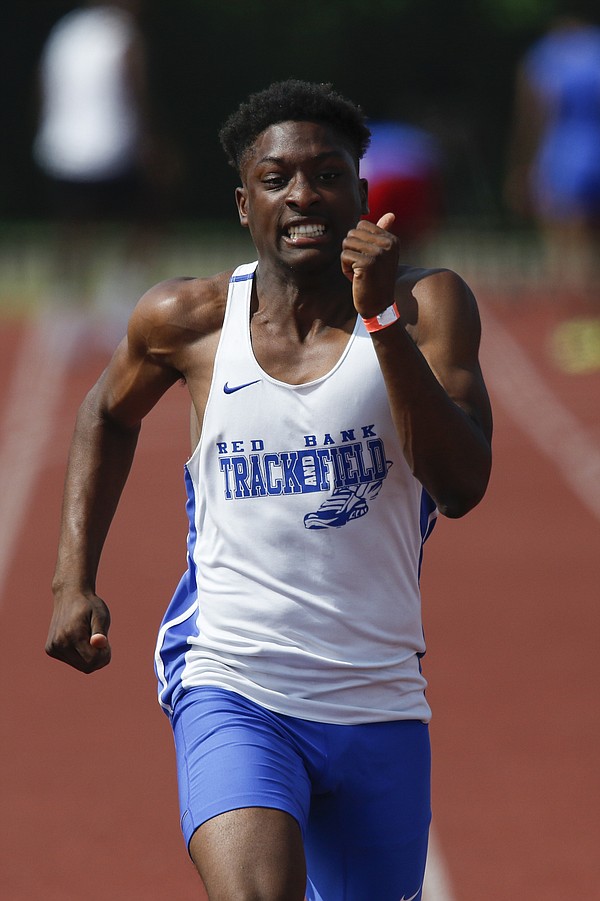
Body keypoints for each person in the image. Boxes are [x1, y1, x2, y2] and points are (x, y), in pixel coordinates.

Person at [46, 79, 493, 901]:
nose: (304, 196)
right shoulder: (187, 320)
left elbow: (462, 484)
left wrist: (380, 325)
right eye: (278, 178)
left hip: (377, 694)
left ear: (362, 194)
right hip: (233, 678)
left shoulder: (425, 307)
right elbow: (104, 415)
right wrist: (73, 578)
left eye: (327, 175)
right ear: (243, 202)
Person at [33, 0, 177, 344]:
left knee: (75, 230)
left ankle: (64, 308)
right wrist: (148, 140)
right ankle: (118, 296)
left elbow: (44, 82)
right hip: (111, 145)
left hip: (63, 145)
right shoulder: (123, 33)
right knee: (150, 215)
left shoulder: (67, 29)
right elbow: (132, 86)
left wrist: (49, 129)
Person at [504, 6, 600, 306]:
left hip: (563, 148)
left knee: (562, 245)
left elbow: (532, 114)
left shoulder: (547, 53)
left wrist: (520, 165)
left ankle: (566, 318)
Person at [360, 119, 443, 258]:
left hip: (379, 188)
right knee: (408, 242)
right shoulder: (413, 137)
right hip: (413, 184)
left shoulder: (361, 138)